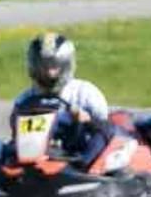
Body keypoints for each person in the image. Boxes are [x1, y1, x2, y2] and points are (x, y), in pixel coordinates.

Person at [9, 32, 110, 165]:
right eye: (43, 67)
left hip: (77, 152)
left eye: (53, 66)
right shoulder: (25, 99)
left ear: (65, 65)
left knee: (108, 135)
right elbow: (16, 132)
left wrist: (87, 120)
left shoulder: (85, 93)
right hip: (39, 154)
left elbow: (105, 129)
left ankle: (86, 169)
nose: (49, 73)